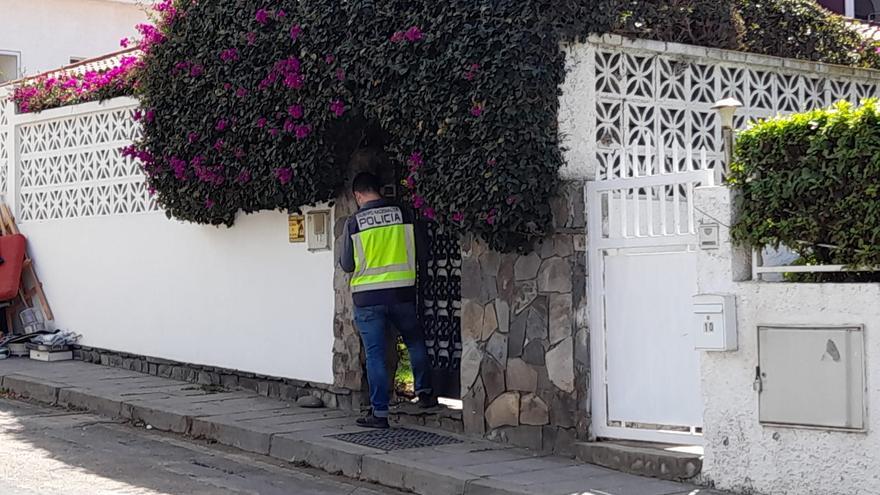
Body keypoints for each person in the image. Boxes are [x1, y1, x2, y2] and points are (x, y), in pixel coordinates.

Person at [339, 171, 437, 429]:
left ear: (358, 195)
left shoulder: (355, 222)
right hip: (402, 293)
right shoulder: (404, 213)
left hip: (368, 298)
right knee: (415, 341)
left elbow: (347, 264)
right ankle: (425, 393)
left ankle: (380, 414)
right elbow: (423, 251)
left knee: (375, 355)